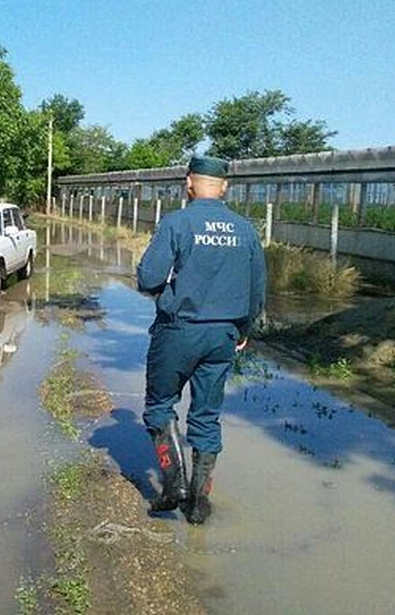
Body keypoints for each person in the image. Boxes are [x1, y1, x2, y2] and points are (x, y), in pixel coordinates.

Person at [136, 155, 267, 525]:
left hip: (179, 330)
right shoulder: (246, 229)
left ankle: (173, 485)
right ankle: (197, 504)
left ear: (188, 183)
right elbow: (258, 288)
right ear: (224, 186)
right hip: (223, 335)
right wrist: (243, 330)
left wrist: (166, 294)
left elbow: (148, 279)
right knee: (207, 417)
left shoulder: (177, 223)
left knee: (160, 405)